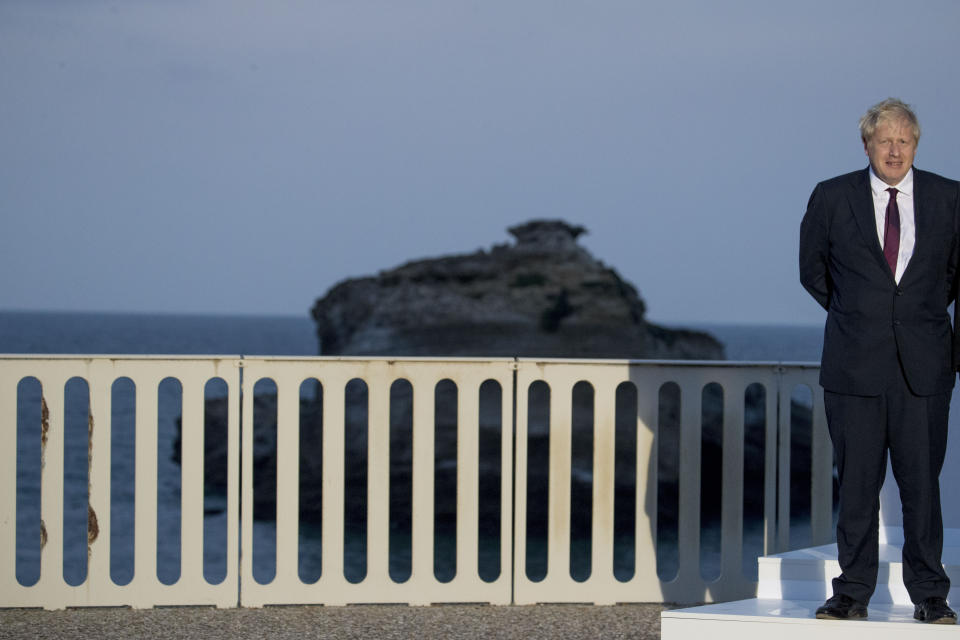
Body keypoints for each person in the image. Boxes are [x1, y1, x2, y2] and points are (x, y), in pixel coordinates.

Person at [800, 97, 960, 624]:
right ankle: (851, 593)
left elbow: (954, 277)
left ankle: (931, 596)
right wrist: (859, 315)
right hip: (854, 366)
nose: (895, 150)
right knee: (858, 485)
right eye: (885, 140)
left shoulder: (949, 198)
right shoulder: (831, 197)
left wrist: (911, 316)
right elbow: (813, 272)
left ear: (916, 145)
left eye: (904, 141)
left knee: (922, 486)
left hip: (925, 367)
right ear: (866, 143)